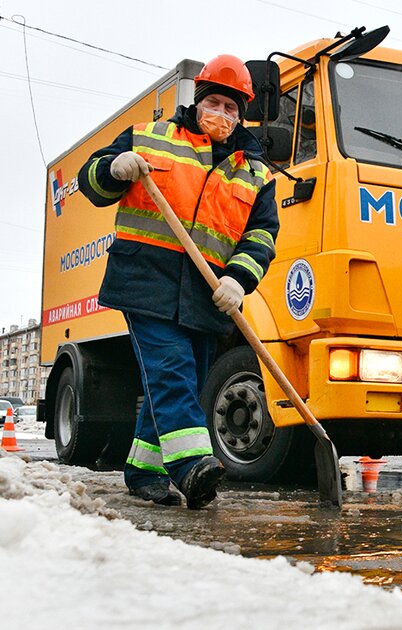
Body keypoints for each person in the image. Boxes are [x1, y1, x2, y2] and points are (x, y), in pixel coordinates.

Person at [78, 55, 278, 509]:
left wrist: (239, 279)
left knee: (176, 383)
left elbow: (262, 236)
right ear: (197, 101)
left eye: (231, 107)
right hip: (147, 281)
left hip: (208, 296)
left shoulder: (256, 172)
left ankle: (144, 470)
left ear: (241, 113)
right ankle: (191, 468)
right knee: (171, 372)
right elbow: (91, 183)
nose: (221, 114)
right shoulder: (152, 138)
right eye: (214, 102)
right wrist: (113, 167)